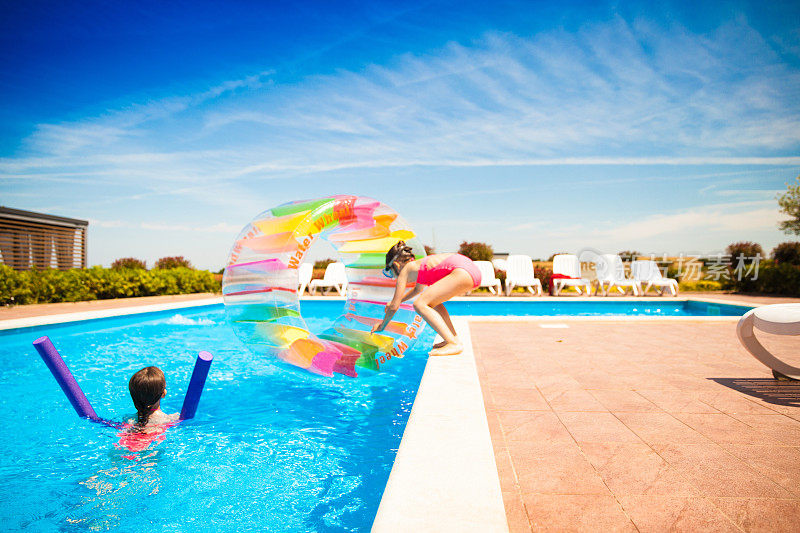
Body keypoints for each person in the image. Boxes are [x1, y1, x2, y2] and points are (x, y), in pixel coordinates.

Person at [371, 240, 481, 356]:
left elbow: (394, 307)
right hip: (471, 271)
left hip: (462, 272)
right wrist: (398, 300)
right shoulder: (418, 266)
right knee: (434, 303)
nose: (394, 276)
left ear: (396, 265)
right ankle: (452, 338)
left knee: (419, 304)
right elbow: (417, 290)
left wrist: (382, 325)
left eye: (391, 272)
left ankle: (453, 344)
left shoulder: (406, 270)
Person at [117, 366, 180, 454]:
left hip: (123, 447)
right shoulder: (169, 419)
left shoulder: (127, 419)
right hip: (148, 452)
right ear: (163, 393)